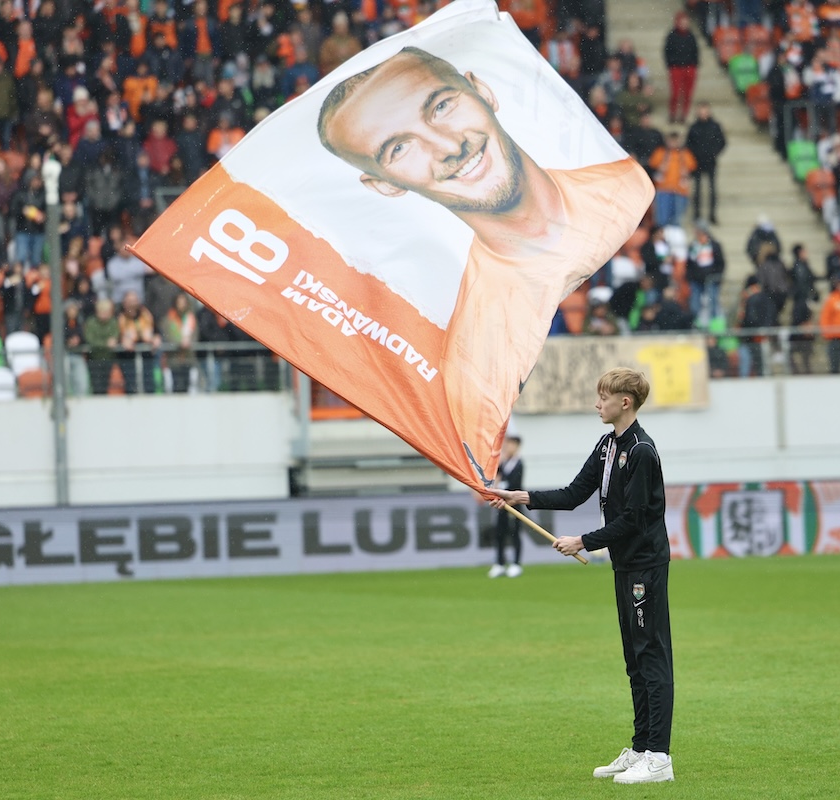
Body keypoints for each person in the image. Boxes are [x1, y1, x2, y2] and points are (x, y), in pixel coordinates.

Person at [317, 46, 652, 486]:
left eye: (441, 106)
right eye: (399, 148)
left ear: (481, 91)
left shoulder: (628, 191)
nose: (449, 146)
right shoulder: (472, 352)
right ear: (384, 185)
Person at [488, 368, 674, 784]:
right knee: (634, 659)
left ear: (625, 402)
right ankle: (641, 747)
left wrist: (584, 542)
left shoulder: (642, 450)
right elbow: (574, 494)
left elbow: (635, 518)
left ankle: (659, 757)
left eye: (603, 397)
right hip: (625, 565)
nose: (597, 404)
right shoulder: (608, 445)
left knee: (651, 656)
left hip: (645, 565)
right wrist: (520, 497)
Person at [487, 434, 525, 578]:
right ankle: (500, 563)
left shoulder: (519, 463)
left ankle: (516, 564)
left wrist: (502, 487)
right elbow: (497, 475)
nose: (508, 447)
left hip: (514, 503)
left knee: (515, 532)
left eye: (512, 444)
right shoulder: (504, 462)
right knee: (499, 533)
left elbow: (515, 483)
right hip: (502, 503)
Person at [684, 102, 725, 223]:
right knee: (697, 189)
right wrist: (694, 155)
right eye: (701, 112)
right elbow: (688, 144)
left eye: (705, 111)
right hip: (697, 162)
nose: (703, 114)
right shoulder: (693, 127)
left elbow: (722, 142)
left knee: (712, 188)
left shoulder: (715, 126)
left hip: (711, 161)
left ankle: (712, 214)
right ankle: (696, 214)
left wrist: (714, 152)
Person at [663, 12, 699, 124]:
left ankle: (684, 115)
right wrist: (671, 64)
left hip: (689, 67)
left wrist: (694, 64)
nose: (684, 24)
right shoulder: (672, 36)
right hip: (676, 67)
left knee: (688, 94)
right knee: (675, 93)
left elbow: (695, 51)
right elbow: (667, 51)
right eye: (682, 22)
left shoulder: (691, 36)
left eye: (686, 22)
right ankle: (673, 114)